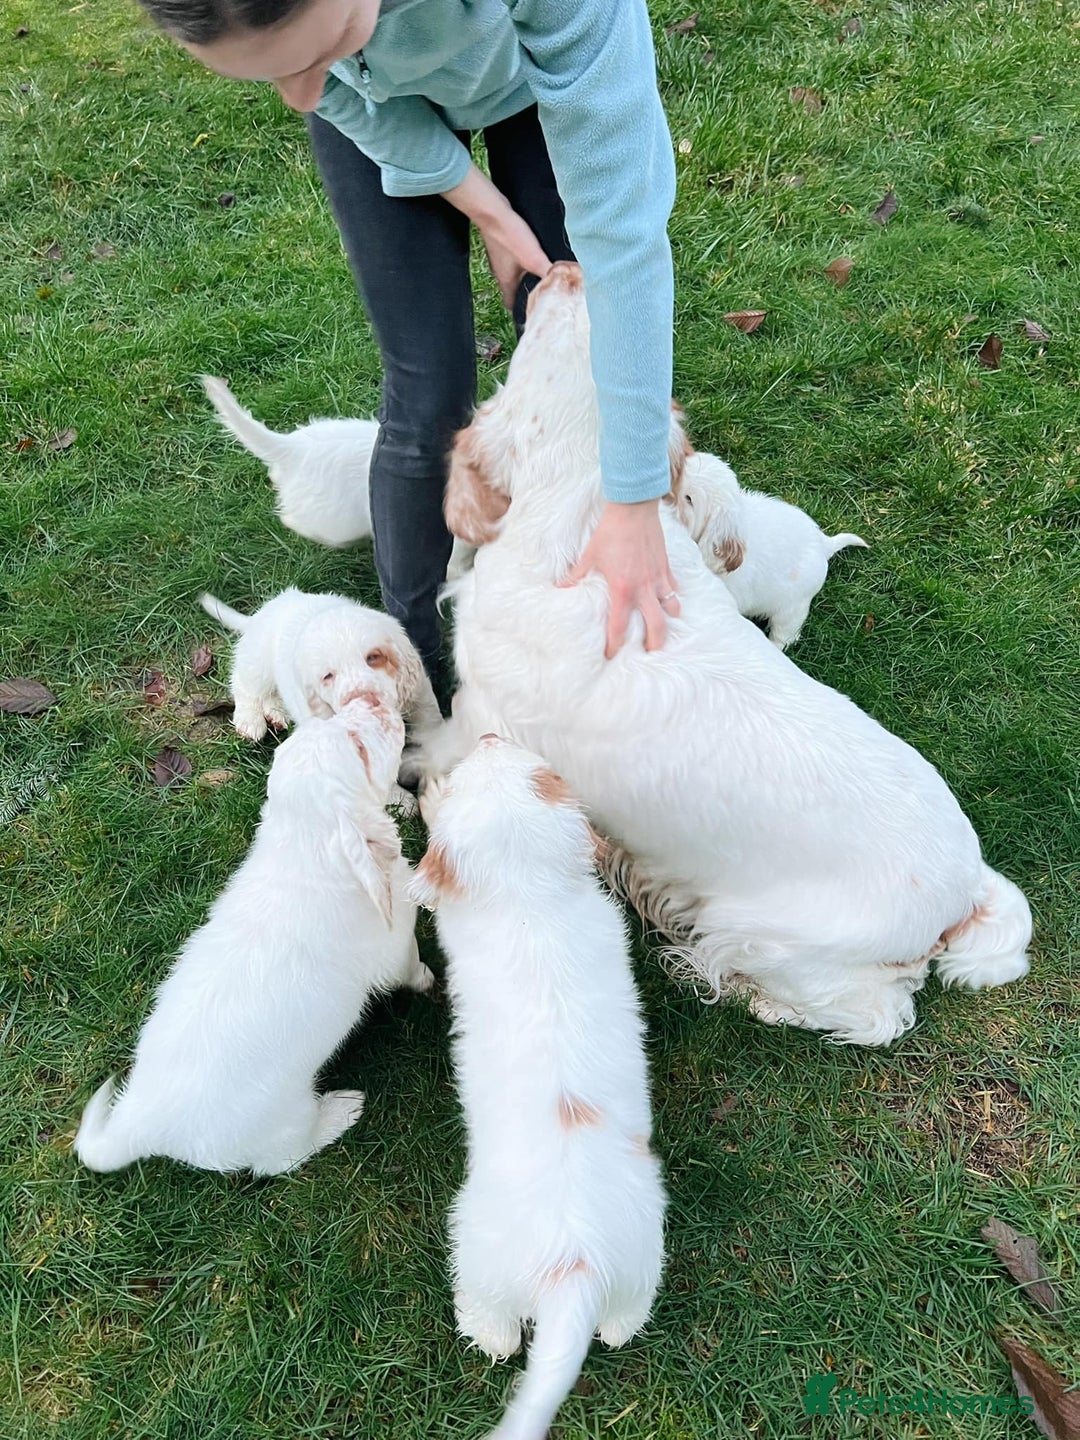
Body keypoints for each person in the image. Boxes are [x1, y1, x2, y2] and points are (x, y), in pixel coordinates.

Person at [138, 0, 681, 690]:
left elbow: (622, 242)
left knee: (574, 339)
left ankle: (575, 597)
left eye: (313, 53)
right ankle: (424, 676)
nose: (297, 98)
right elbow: (335, 95)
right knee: (427, 395)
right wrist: (491, 211)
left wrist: (634, 503)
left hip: (531, 85)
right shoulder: (314, 71)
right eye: (267, 76)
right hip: (373, 102)